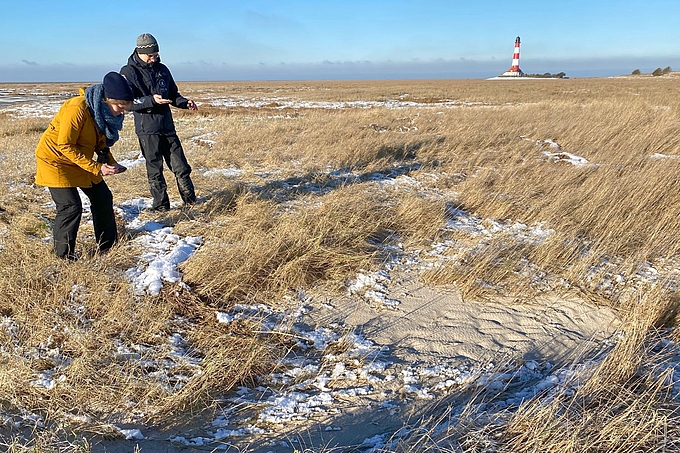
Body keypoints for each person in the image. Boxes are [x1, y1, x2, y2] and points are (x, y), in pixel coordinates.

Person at [35, 72, 133, 260]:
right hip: (56, 160)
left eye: (125, 107)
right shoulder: (77, 109)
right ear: (107, 100)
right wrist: (97, 168)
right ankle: (63, 258)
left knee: (103, 197)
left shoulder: (101, 112)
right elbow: (64, 145)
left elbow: (100, 143)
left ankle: (107, 247)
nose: (122, 111)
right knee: (70, 207)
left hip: (80, 159)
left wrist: (111, 162)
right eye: (120, 106)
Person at [120, 33, 197, 212]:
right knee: (155, 169)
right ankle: (161, 206)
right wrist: (151, 100)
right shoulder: (127, 72)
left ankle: (190, 201)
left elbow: (173, 95)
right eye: (150, 55)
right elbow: (128, 103)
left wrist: (185, 103)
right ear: (140, 52)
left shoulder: (163, 69)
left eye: (156, 55)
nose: (153, 58)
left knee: (181, 166)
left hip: (167, 127)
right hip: (147, 129)